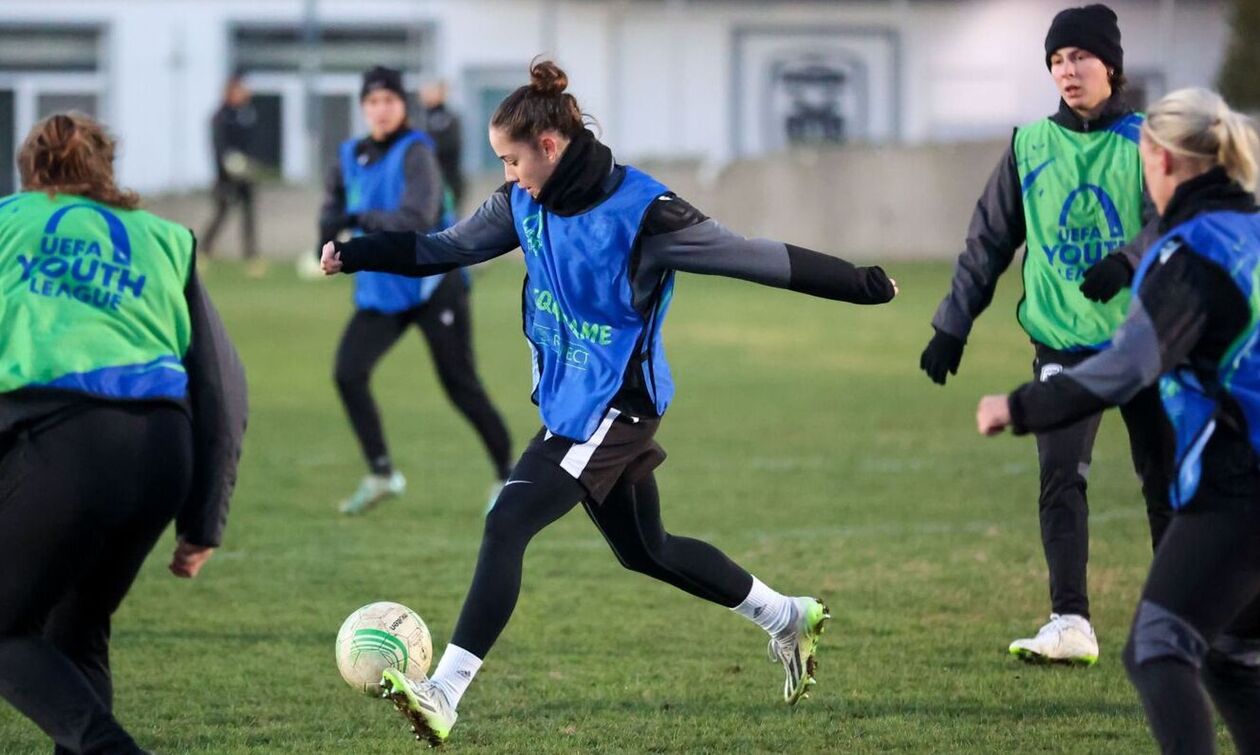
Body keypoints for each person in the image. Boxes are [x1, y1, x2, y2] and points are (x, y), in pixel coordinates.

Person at [321, 59, 898, 746]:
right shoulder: (523, 203)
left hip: (617, 403)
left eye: (512, 160)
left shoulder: (646, 213)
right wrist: (356, 254)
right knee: (645, 548)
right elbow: (445, 246)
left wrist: (861, 284)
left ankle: (443, 692)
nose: (507, 174)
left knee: (508, 520)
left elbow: (751, 256)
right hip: (572, 399)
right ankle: (788, 617)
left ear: (551, 147)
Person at [977, 87, 1260, 755]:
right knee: (1232, 659)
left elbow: (1125, 367)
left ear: (1160, 160)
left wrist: (1020, 406)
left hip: (1238, 488)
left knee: (1159, 650)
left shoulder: (1187, 254)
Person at [919, 3, 1172, 664]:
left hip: (1145, 341)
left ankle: (1181, 619)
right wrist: (953, 326)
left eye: (1079, 57)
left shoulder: (1149, 140)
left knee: (1165, 480)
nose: (1067, 70)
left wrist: (1126, 260)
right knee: (1061, 478)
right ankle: (1071, 621)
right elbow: (987, 243)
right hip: (1062, 343)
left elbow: (1174, 219)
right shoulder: (1029, 145)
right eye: (1057, 60)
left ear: (1109, 65)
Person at [0, 113, 247, 754]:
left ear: (31, 171)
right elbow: (221, 383)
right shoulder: (166, 239)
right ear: (107, 169)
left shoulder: (9, 222)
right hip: (164, 452)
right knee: (74, 634)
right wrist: (204, 520)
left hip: (63, 443)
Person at [319, 65, 512, 514]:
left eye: (389, 100)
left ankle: (509, 477)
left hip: (433, 285)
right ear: (363, 108)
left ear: (403, 105)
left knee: (460, 385)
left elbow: (418, 219)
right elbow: (330, 214)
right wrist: (325, 246)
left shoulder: (416, 151)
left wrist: (360, 220)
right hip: (382, 291)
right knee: (348, 372)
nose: (381, 109)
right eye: (372, 102)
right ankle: (383, 473)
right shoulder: (350, 155)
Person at [201, 72, 263, 277]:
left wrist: (249, 163)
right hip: (226, 177)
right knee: (221, 212)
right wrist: (227, 164)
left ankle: (251, 256)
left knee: (248, 214)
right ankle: (204, 252)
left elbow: (253, 142)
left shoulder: (248, 114)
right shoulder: (220, 116)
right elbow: (218, 146)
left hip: (245, 175)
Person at [418, 80, 465, 210]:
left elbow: (447, 146)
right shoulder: (421, 116)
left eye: (431, 91)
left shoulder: (445, 118)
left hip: (445, 181)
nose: (425, 94)